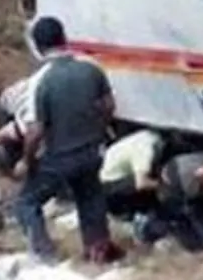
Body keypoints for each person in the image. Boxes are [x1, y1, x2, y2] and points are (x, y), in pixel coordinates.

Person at [13, 17, 125, 264]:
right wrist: (99, 131)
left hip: (59, 158)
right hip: (91, 150)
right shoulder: (90, 67)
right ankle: (98, 251)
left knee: (27, 202)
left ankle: (45, 256)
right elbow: (108, 106)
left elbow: (35, 131)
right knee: (90, 198)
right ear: (64, 38)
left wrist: (26, 161)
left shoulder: (40, 81)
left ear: (38, 46)